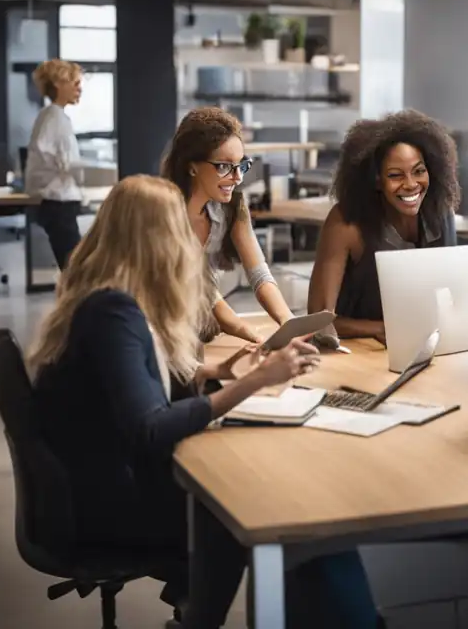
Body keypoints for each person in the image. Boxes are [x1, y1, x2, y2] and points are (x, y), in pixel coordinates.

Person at [27, 175, 382, 627]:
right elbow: (149, 428)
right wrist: (252, 384)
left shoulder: (106, 301)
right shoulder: (112, 312)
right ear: (156, 239)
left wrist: (212, 373)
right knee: (271, 508)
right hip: (108, 505)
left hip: (99, 484)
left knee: (257, 501)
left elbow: (126, 385)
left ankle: (198, 620)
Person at [308, 110, 461, 347]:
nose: (411, 184)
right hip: (357, 353)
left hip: (423, 347)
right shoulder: (346, 223)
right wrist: (380, 328)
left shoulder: (441, 215)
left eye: (419, 171)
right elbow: (317, 319)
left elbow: (450, 300)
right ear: (376, 179)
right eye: (395, 175)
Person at [162, 107, 293, 343]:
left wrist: (289, 322)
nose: (237, 178)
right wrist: (244, 330)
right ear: (191, 166)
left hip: (197, 328)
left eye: (241, 165)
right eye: (224, 166)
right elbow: (199, 287)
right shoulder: (162, 211)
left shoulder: (231, 208)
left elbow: (259, 274)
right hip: (159, 326)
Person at [25, 59, 85, 270]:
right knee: (74, 271)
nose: (80, 89)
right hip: (57, 204)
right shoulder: (54, 118)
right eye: (75, 83)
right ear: (59, 84)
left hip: (58, 203)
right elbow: (62, 162)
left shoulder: (54, 116)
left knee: (73, 268)